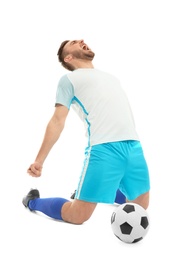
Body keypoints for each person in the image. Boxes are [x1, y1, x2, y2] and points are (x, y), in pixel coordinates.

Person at [22, 39, 150, 225]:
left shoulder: (111, 77)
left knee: (141, 206)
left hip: (133, 146)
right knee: (78, 216)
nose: (82, 40)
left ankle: (98, 189)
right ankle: (32, 201)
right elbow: (57, 120)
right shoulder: (68, 81)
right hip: (104, 149)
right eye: (74, 42)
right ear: (69, 57)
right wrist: (39, 160)